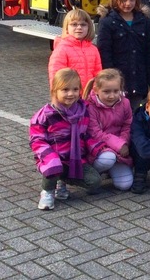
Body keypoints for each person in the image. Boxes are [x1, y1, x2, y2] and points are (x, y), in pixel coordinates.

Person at [29, 68, 105, 210]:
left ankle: (62, 179)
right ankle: (48, 191)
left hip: (75, 159)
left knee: (94, 182)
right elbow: (36, 139)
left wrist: (96, 147)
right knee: (53, 166)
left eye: (75, 89)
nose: (71, 94)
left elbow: (85, 135)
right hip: (53, 157)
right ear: (55, 91)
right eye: (65, 89)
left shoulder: (83, 111)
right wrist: (49, 156)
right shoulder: (46, 114)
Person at [96, 0, 150, 110]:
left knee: (136, 118)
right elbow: (105, 54)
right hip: (116, 85)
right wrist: (110, 82)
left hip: (139, 82)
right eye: (123, 0)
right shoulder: (107, 22)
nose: (128, 3)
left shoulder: (144, 21)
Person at [84, 69, 134, 191]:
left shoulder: (125, 103)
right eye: (106, 91)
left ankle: (111, 170)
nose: (112, 96)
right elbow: (95, 133)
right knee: (108, 158)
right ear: (96, 90)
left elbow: (128, 124)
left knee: (125, 185)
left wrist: (124, 142)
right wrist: (119, 145)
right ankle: (93, 174)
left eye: (116, 91)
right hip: (99, 148)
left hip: (121, 149)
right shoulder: (90, 106)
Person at [48, 8, 102, 92]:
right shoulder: (62, 49)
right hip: (70, 96)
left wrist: (97, 91)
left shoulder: (93, 49)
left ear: (89, 27)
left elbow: (98, 73)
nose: (79, 27)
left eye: (83, 24)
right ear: (66, 28)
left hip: (89, 97)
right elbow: (55, 75)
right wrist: (57, 95)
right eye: (74, 24)